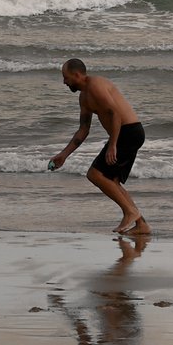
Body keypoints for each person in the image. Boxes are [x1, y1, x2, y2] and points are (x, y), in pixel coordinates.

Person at [50, 58, 147, 233]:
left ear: (77, 74)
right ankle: (142, 225)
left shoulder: (95, 85)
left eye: (65, 77)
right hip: (125, 134)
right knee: (112, 181)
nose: (64, 82)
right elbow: (83, 130)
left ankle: (130, 212)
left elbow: (115, 113)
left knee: (95, 174)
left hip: (129, 132)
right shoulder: (84, 97)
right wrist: (64, 155)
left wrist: (113, 144)